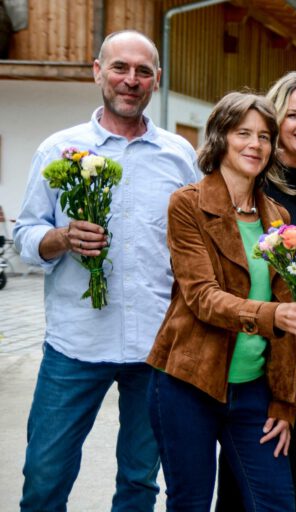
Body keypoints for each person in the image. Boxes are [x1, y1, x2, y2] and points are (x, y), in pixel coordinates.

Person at [12, 30, 198, 510]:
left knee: (139, 480)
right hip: (76, 345)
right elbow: (25, 235)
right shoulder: (59, 149)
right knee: (45, 473)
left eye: (142, 71)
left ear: (156, 80)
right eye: (120, 68)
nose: (130, 80)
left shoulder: (179, 156)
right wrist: (60, 238)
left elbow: (196, 245)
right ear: (98, 72)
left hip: (155, 347)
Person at [145, 91, 296, 511]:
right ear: (220, 138)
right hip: (188, 383)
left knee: (277, 502)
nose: (255, 144)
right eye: (243, 133)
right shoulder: (187, 204)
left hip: (254, 392)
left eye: (264, 136)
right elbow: (203, 298)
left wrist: (284, 401)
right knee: (190, 502)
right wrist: (275, 314)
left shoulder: (278, 217)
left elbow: (289, 320)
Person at [215, 71, 296, 511]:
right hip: (261, 356)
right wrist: (286, 334)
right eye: (293, 115)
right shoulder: (256, 185)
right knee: (251, 481)